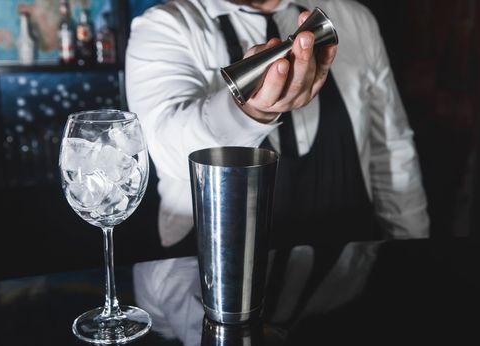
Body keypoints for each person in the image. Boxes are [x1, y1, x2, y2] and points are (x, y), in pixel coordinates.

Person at [125, 0, 430, 252]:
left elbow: (392, 148)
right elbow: (165, 151)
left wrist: (413, 247)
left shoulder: (353, 19)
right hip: (207, 276)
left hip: (345, 275)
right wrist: (248, 111)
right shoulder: (166, 26)